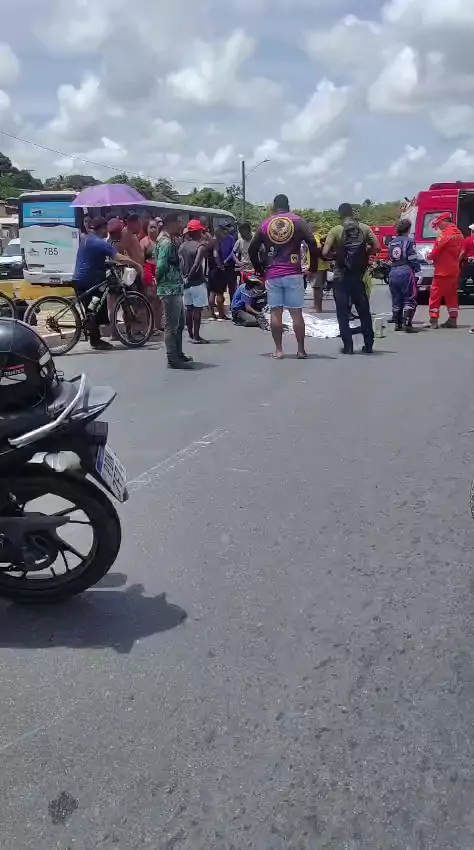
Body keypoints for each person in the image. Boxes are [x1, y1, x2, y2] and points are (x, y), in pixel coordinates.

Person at [249, 194, 318, 359]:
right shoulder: (297, 221)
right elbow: (312, 243)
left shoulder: (266, 224)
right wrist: (313, 267)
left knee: (275, 313)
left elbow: (252, 249)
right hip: (293, 273)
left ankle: (279, 350)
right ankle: (301, 350)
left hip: (273, 274)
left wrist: (260, 269)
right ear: (288, 206)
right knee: (296, 314)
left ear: (274, 207)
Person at [74, 216, 142, 350]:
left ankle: (96, 339)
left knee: (93, 308)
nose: (108, 232)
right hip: (89, 280)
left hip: (82, 278)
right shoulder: (99, 242)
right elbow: (118, 257)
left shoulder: (87, 239)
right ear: (102, 229)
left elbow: (96, 258)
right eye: (106, 229)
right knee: (94, 309)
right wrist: (136, 264)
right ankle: (96, 341)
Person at [323, 203, 379, 354]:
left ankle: (348, 347)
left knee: (342, 313)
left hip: (341, 276)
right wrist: (365, 253)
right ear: (352, 213)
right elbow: (377, 247)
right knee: (364, 311)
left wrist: (336, 256)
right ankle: (368, 345)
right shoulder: (364, 228)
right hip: (358, 276)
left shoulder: (336, 230)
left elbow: (325, 252)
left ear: (340, 214)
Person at [155, 213, 193, 369]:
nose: (180, 225)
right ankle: (172, 358)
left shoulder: (170, 240)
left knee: (179, 323)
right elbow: (161, 266)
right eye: (178, 222)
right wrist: (159, 282)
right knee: (172, 325)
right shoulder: (165, 243)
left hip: (175, 288)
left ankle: (178, 353)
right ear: (170, 223)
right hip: (169, 289)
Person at [426, 212, 464, 329]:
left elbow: (435, 251)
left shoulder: (445, 235)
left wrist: (428, 256)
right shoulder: (459, 234)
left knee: (435, 295)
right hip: (454, 270)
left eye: (439, 224)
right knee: (452, 295)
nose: (438, 226)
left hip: (442, 271)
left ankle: (433, 319)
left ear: (445, 221)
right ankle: (453, 319)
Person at [179, 219, 209, 344]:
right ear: (198, 232)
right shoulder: (200, 247)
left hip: (185, 284)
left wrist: (183, 278)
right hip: (196, 282)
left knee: (189, 309)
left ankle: (190, 335)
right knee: (197, 310)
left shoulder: (182, 246)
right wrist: (189, 277)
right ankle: (196, 336)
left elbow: (179, 263)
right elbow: (196, 265)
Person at [388, 218, 420, 332]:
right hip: (405, 270)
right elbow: (412, 257)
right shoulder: (409, 241)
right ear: (408, 229)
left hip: (393, 271)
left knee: (396, 298)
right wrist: (418, 269)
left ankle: (397, 324)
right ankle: (407, 323)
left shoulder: (391, 242)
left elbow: (390, 258)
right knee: (409, 297)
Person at [141, 220, 163, 333]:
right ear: (147, 228)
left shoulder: (160, 241)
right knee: (151, 299)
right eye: (151, 227)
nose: (153, 229)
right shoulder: (144, 242)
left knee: (159, 299)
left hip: (159, 269)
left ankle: (158, 324)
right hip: (148, 269)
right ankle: (150, 326)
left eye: (155, 227)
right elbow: (141, 259)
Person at [206, 228, 229, 320]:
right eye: (223, 234)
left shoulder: (209, 243)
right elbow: (215, 254)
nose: (224, 236)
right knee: (220, 292)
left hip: (211, 270)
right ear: (218, 234)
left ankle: (212, 313)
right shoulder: (216, 242)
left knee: (212, 292)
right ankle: (221, 314)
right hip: (217, 270)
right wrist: (220, 266)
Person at [221, 222, 238, 302]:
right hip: (221, 266)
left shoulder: (231, 238)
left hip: (230, 265)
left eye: (226, 228)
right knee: (221, 286)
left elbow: (232, 252)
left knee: (231, 286)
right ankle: (221, 303)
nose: (225, 230)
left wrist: (226, 260)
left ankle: (232, 303)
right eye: (223, 229)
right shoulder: (219, 238)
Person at [459, 222, 474, 296]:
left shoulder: (467, 240)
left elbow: (462, 252)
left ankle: (468, 292)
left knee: (461, 282)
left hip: (468, 264)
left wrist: (458, 261)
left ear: (472, 231)